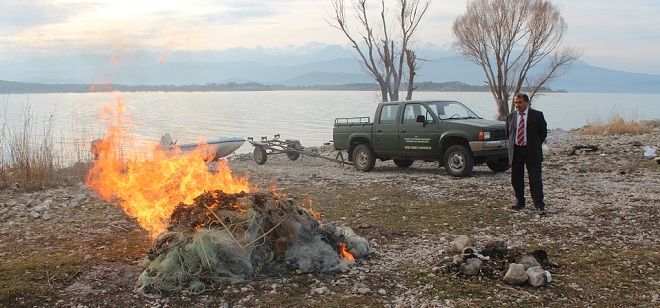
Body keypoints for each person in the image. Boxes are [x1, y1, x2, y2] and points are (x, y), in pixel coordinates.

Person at [506, 93, 548, 215]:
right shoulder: (510, 117)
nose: (517, 105)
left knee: (535, 179)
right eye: (515, 103)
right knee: (516, 178)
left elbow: (543, 133)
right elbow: (508, 134)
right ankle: (520, 202)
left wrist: (534, 144)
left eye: (519, 102)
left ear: (526, 102)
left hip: (532, 151)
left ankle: (539, 205)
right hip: (516, 150)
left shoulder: (537, 115)